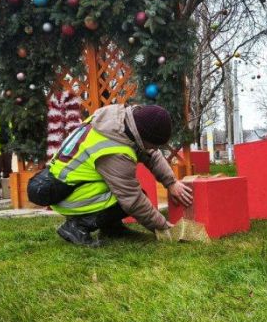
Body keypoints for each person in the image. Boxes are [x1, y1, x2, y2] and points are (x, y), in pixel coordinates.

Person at [48, 104, 193, 246]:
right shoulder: (114, 149)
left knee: (127, 195)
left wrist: (171, 183)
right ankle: (77, 226)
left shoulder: (124, 124)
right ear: (143, 137)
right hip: (67, 193)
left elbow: (152, 155)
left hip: (74, 184)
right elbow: (133, 200)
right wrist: (163, 227)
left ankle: (112, 229)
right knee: (127, 199)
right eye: (154, 145)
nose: (155, 149)